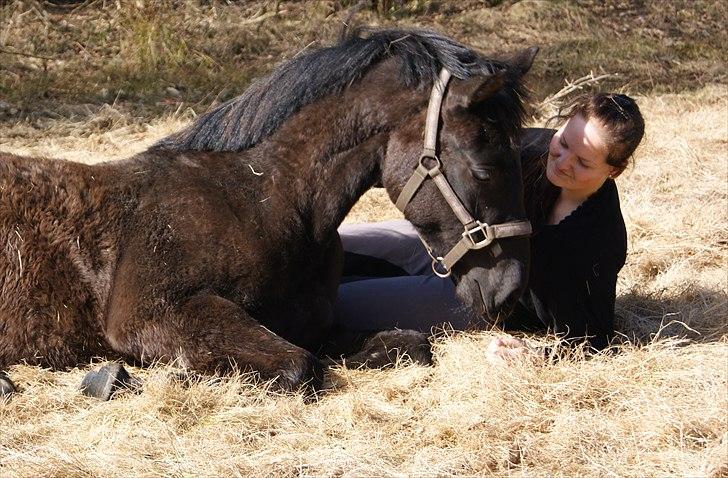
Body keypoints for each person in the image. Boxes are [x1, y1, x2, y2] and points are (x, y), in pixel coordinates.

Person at [334, 92, 645, 360]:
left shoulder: (598, 241)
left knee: (337, 303)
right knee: (330, 244)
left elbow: (595, 340)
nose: (563, 162)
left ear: (613, 171)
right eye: (563, 143)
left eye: (584, 162)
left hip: (481, 295)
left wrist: (536, 356)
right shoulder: (533, 148)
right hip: (453, 241)